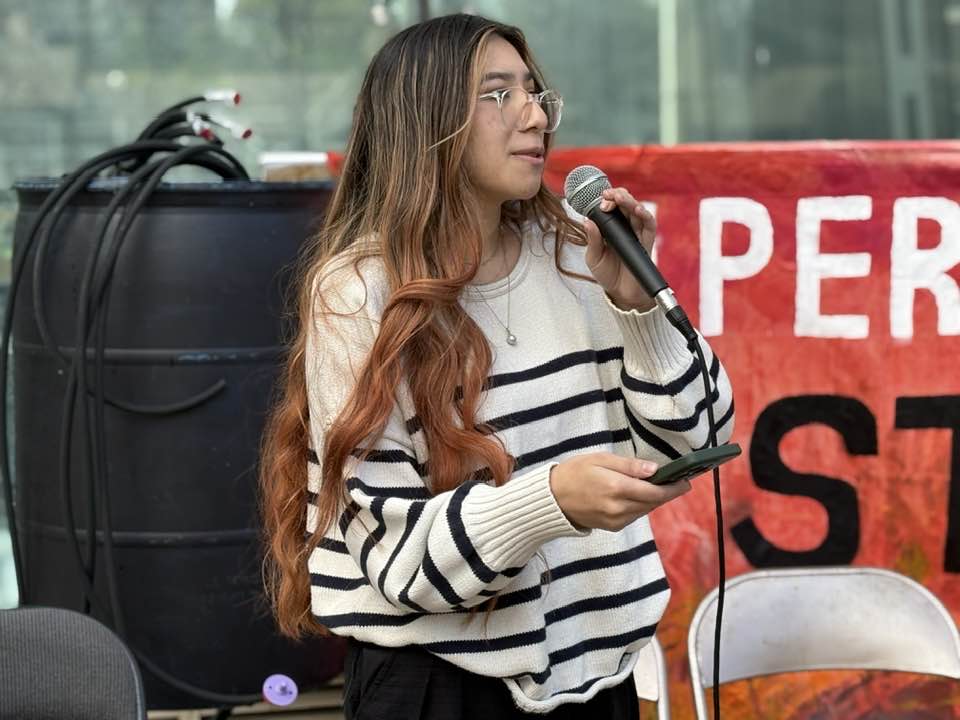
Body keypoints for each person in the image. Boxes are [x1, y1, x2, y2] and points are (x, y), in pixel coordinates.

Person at [260, 12, 734, 719]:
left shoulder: (578, 256)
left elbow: (697, 439)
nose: (535, 115)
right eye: (498, 94)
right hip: (436, 686)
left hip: (597, 677)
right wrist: (552, 501)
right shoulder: (359, 293)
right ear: (426, 122)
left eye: (535, 93)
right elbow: (399, 562)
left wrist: (638, 308)